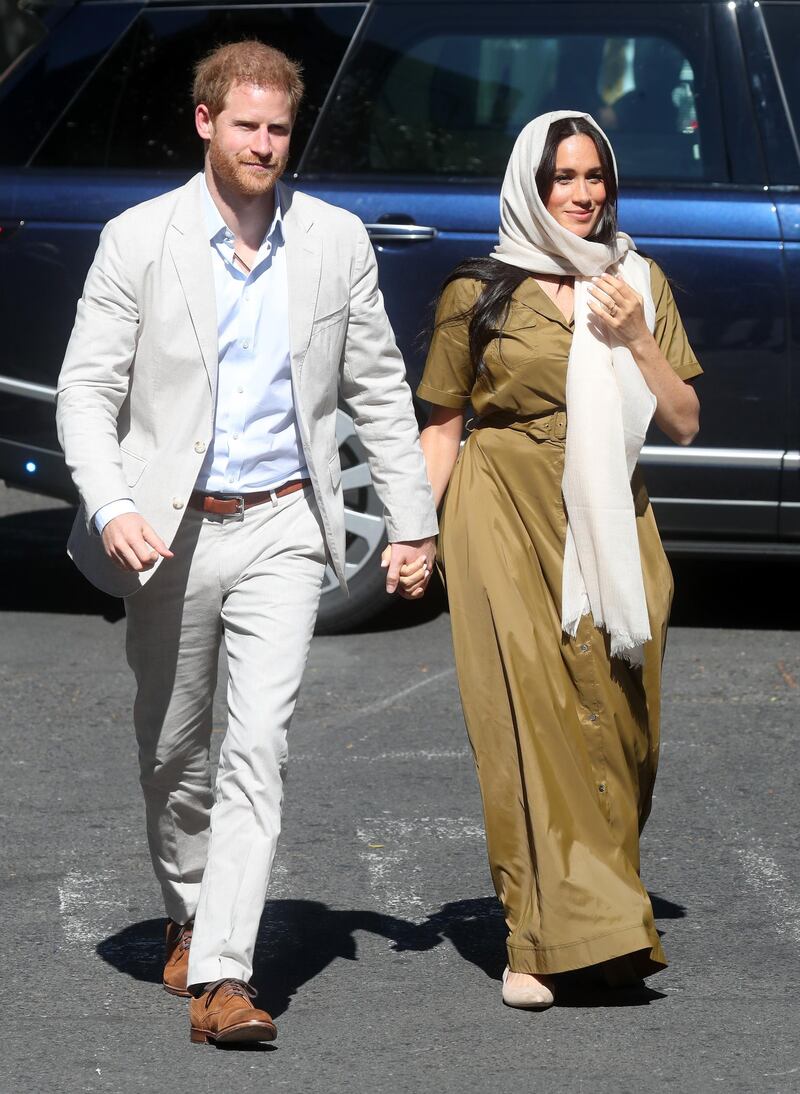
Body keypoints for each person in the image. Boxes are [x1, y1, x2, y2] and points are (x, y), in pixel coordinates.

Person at [56, 40, 437, 1045]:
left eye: (278, 129)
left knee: (256, 747)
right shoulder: (139, 239)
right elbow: (87, 393)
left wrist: (413, 518)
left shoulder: (333, 241)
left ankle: (224, 971)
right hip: (166, 531)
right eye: (246, 126)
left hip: (280, 523)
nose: (264, 144)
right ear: (205, 123)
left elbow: (377, 389)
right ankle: (188, 904)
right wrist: (111, 503)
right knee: (174, 751)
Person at [405, 110, 701, 1009]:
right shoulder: (480, 289)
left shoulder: (639, 280)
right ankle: (534, 939)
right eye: (562, 179)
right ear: (530, 189)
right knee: (527, 715)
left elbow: (684, 420)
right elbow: (445, 423)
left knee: (623, 717)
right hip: (501, 505)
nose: (582, 194)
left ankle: (603, 915)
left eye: (594, 177)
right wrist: (415, 532)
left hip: (609, 510)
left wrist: (635, 337)